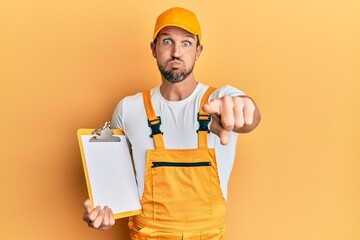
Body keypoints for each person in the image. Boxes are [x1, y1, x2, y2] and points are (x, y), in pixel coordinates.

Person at [82, 7, 261, 239]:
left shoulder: (220, 100)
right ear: (153, 49)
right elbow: (113, 184)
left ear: (198, 51)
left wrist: (243, 110)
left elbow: (249, 115)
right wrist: (104, 214)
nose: (176, 52)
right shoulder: (128, 109)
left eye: (186, 43)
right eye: (167, 42)